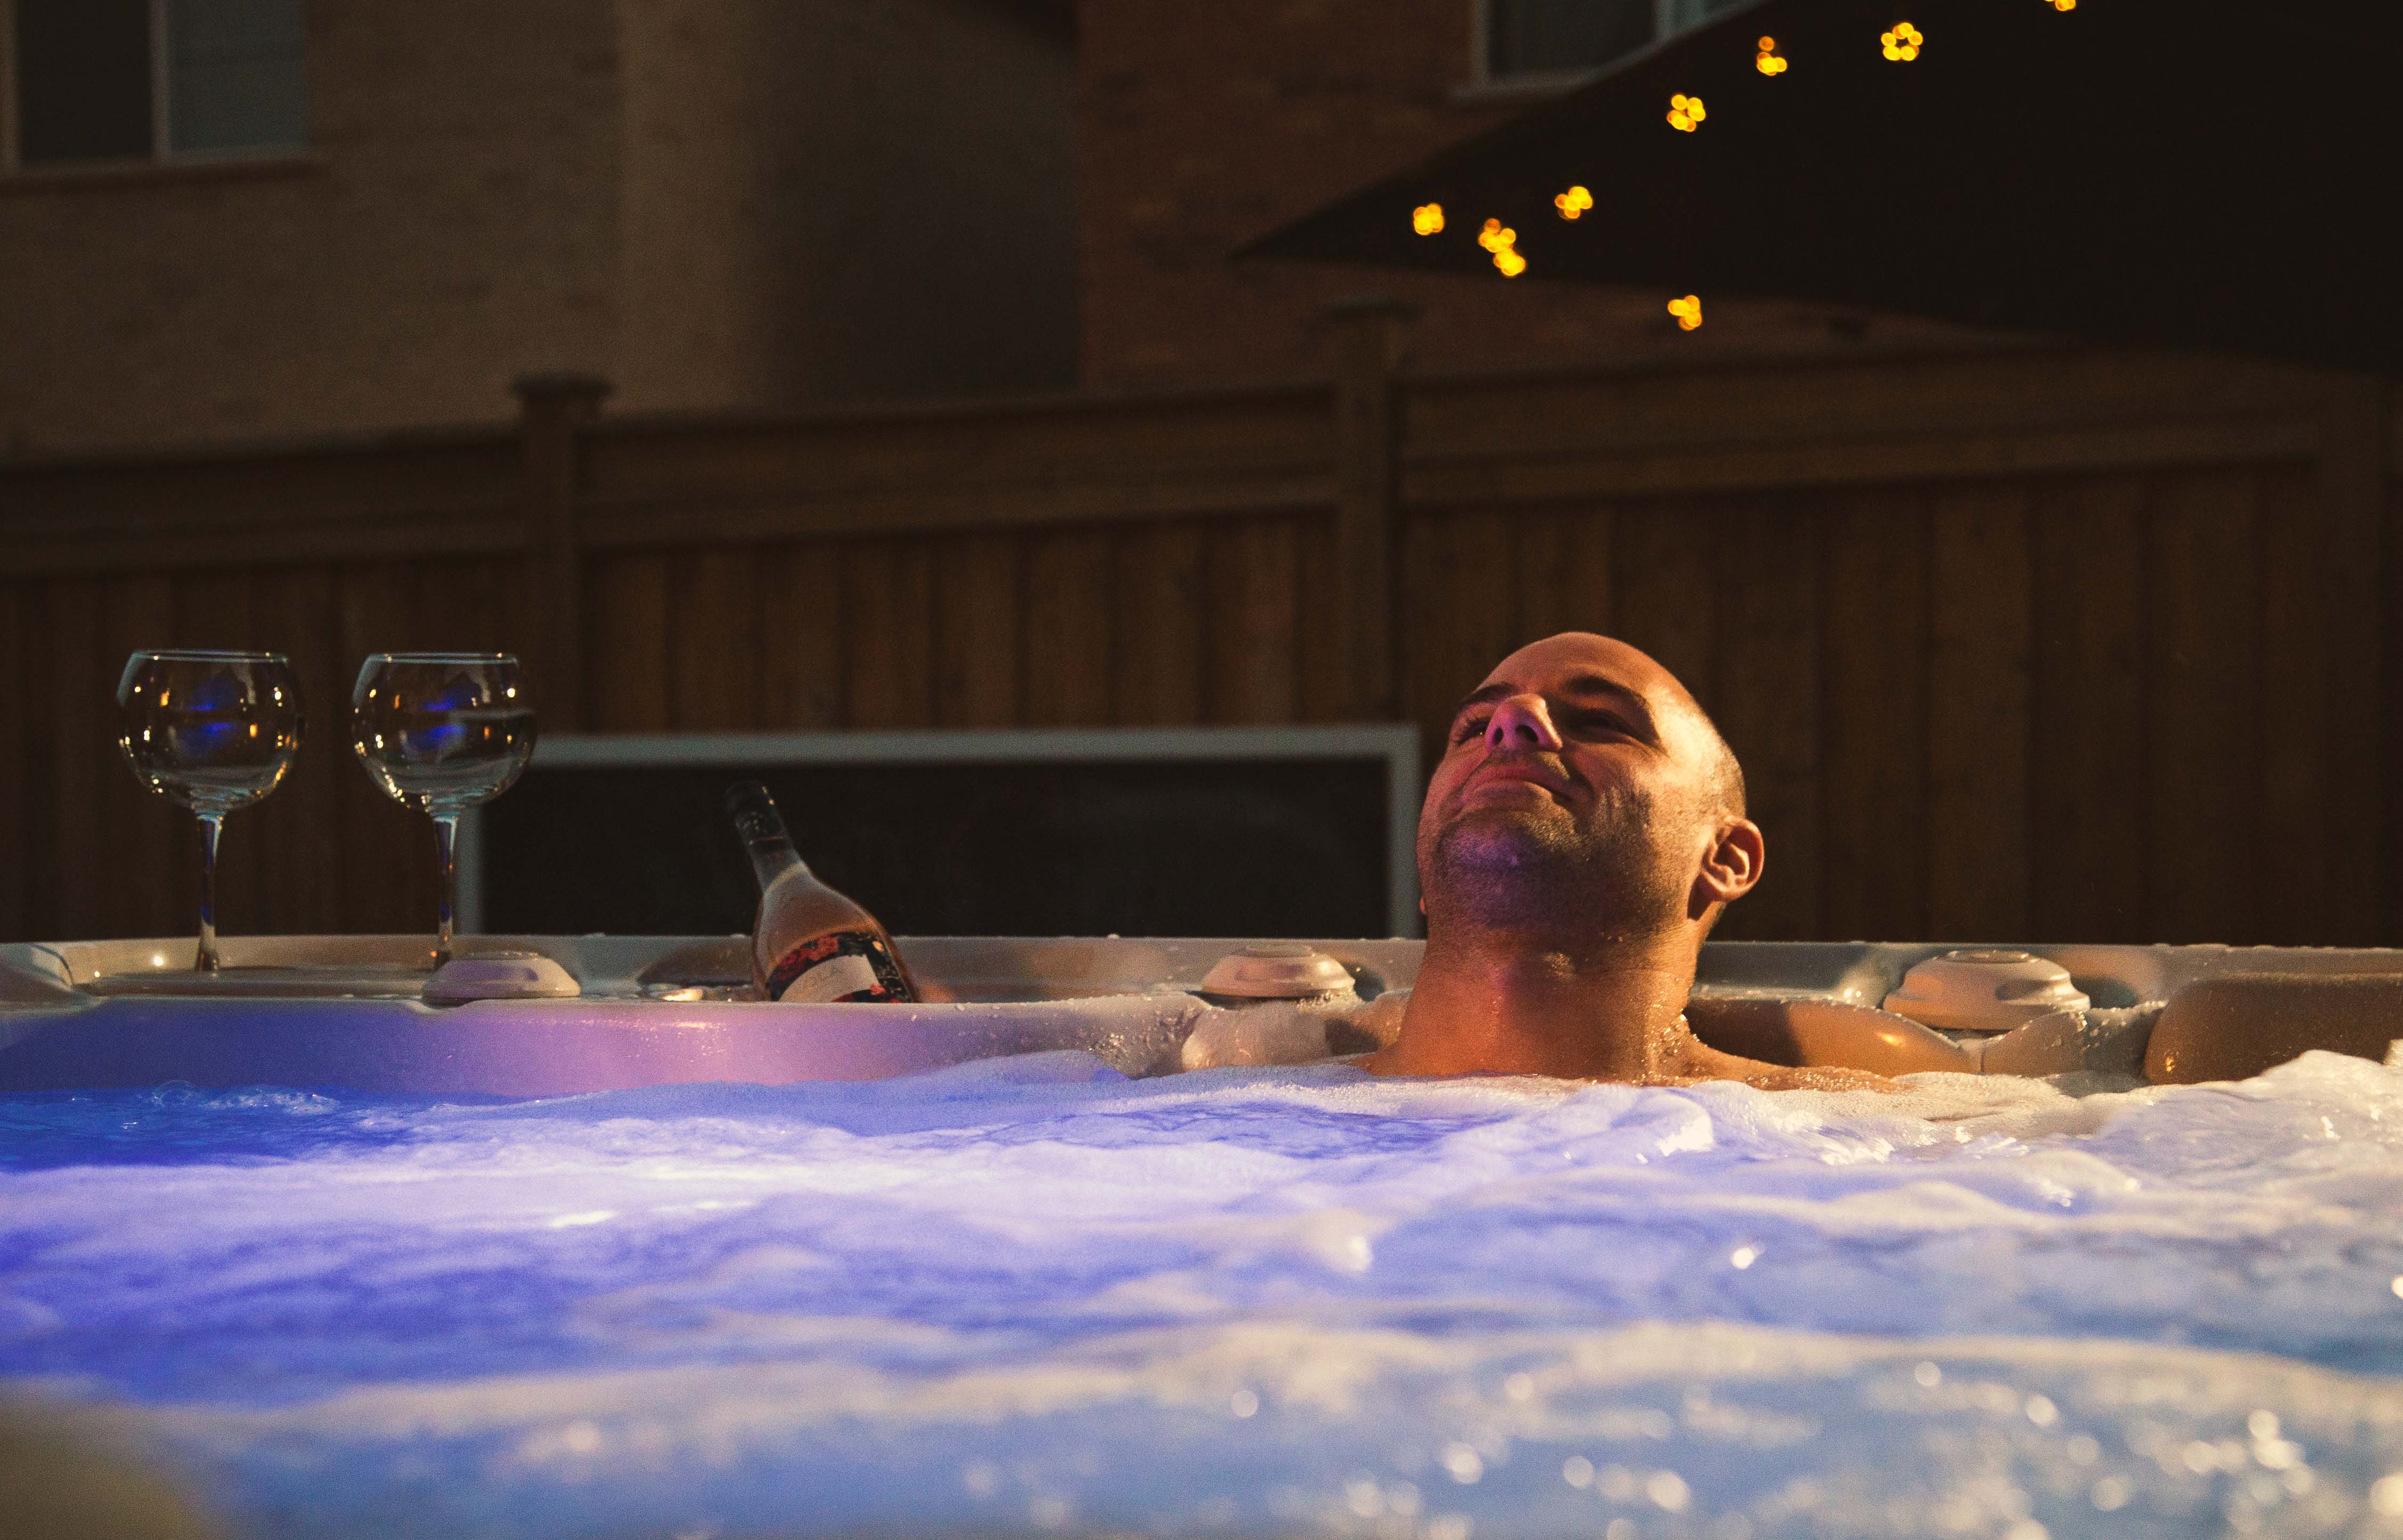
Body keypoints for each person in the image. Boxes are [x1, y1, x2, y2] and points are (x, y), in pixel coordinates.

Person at [1357, 631, 1894, 1090]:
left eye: (1598, 720)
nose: (1511, 720)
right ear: (1422, 865)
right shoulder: (1281, 1100)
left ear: (1725, 858)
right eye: (1474, 727)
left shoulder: (1863, 1132)